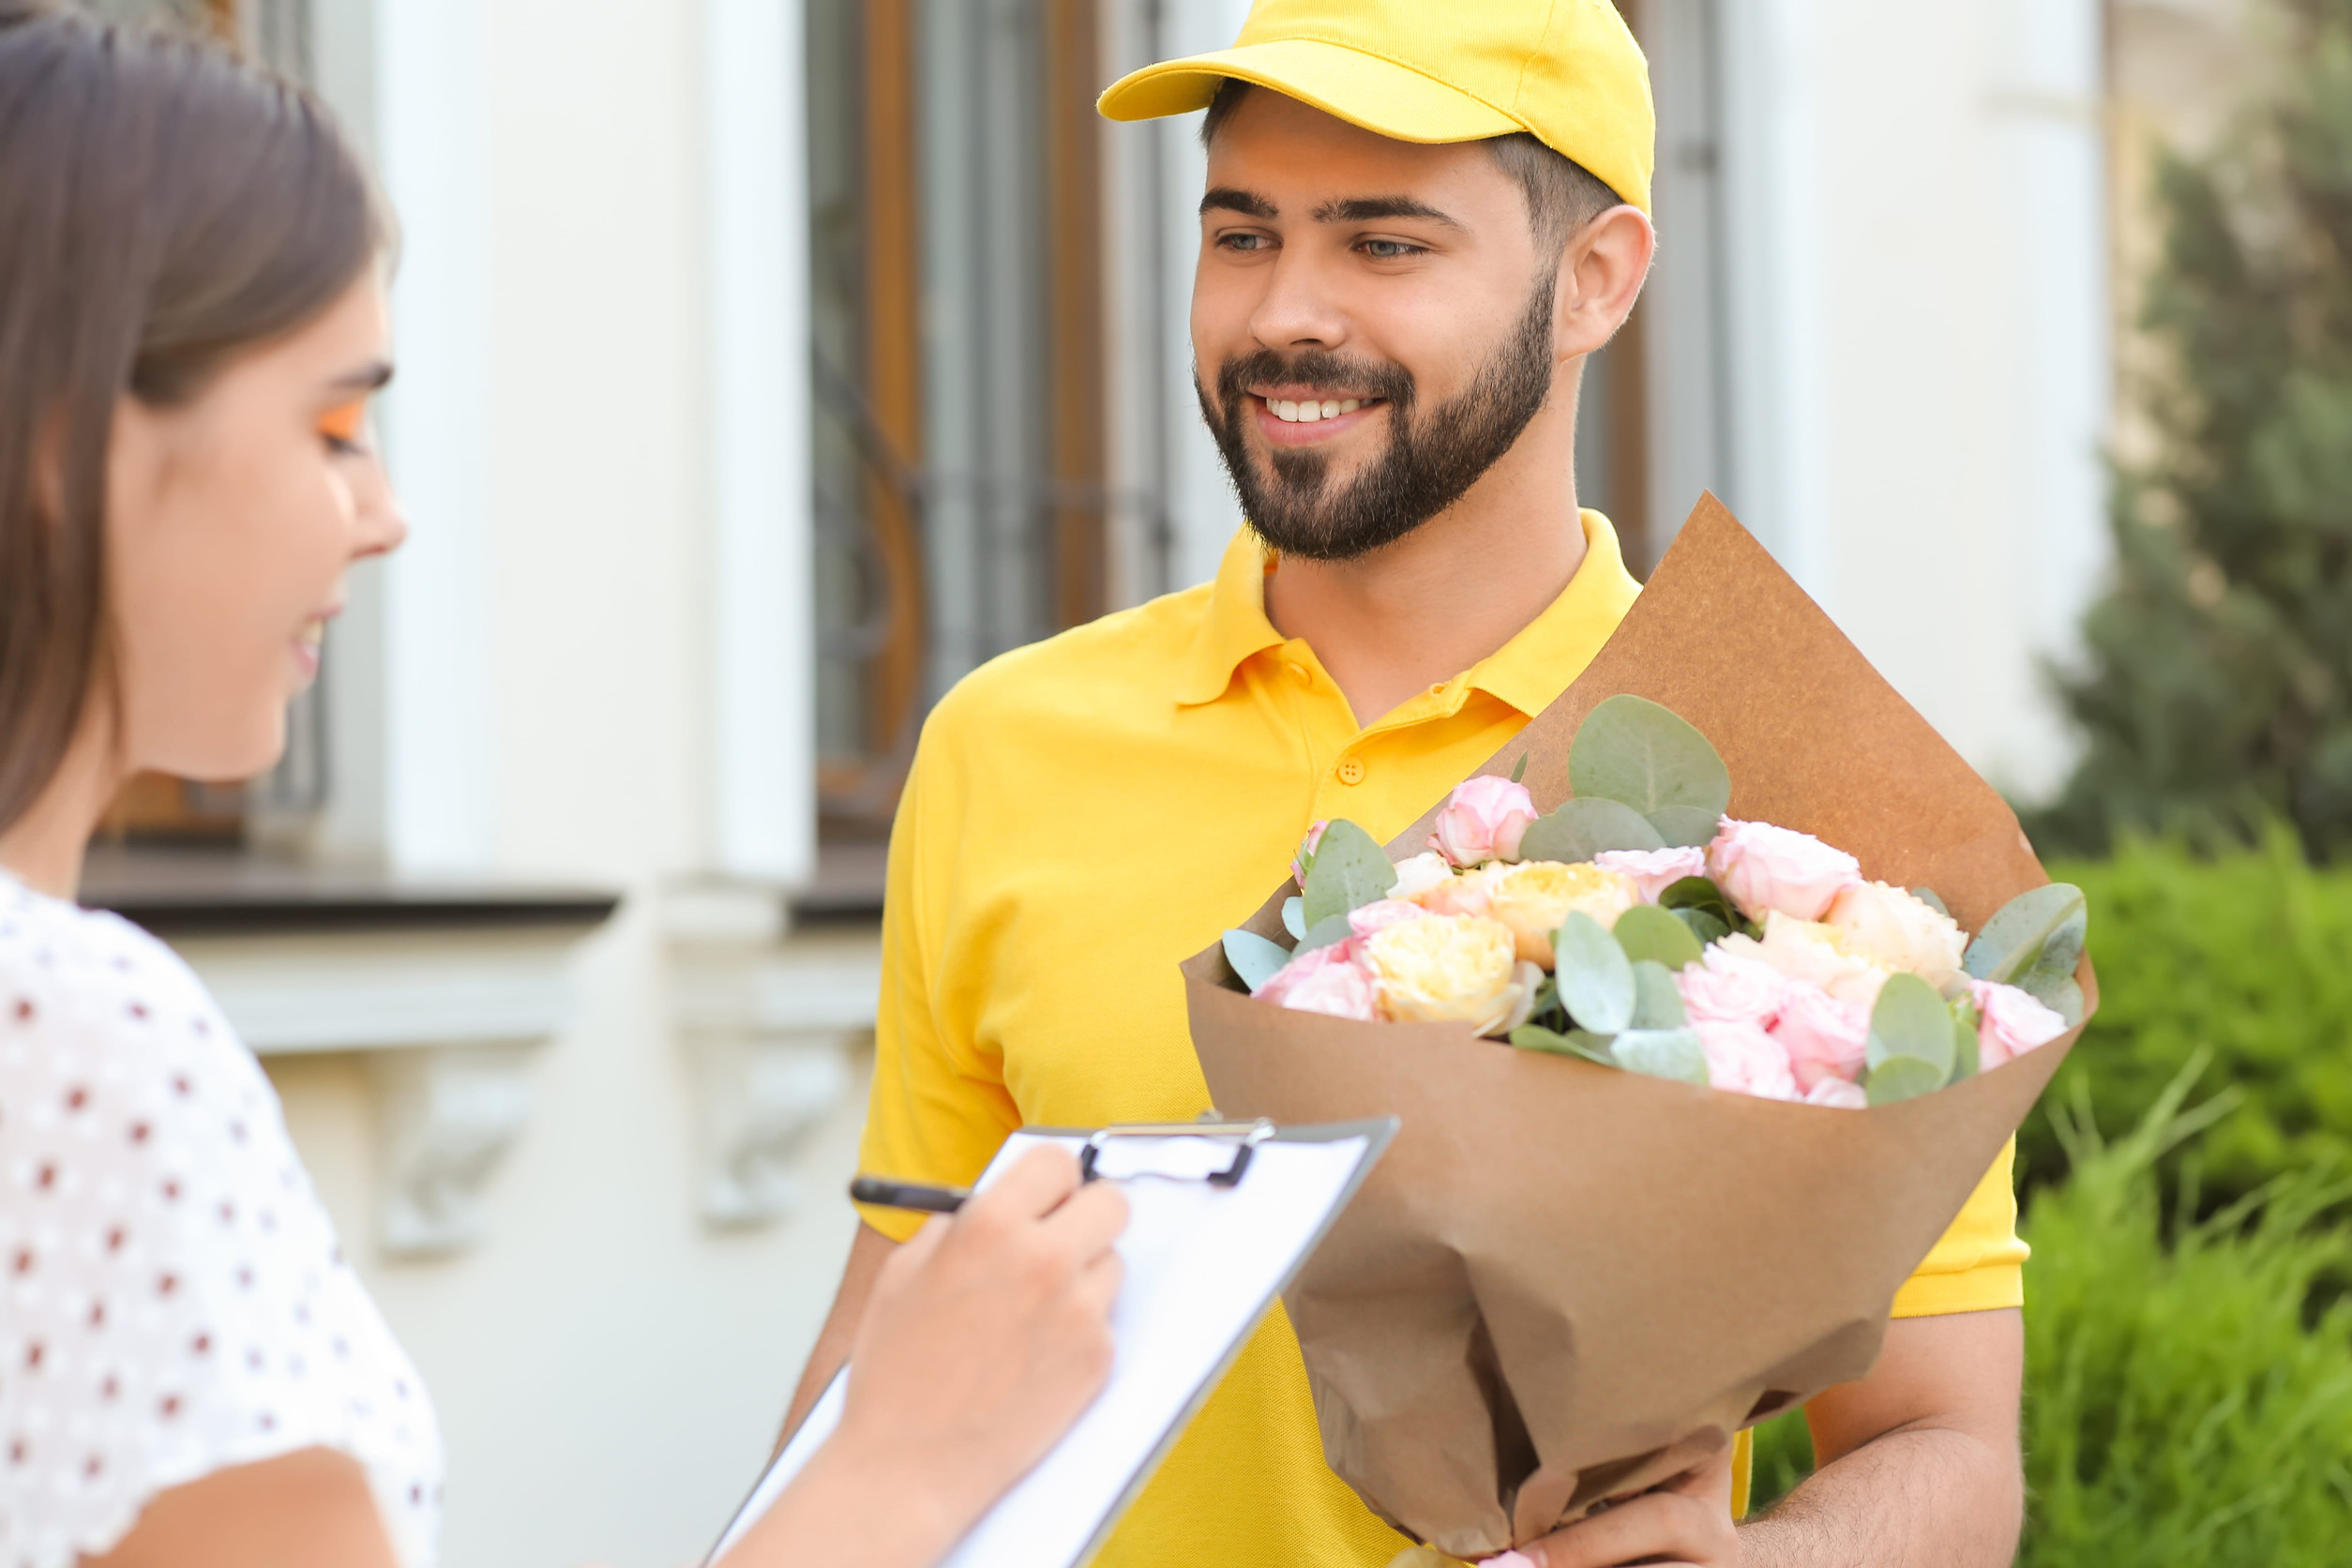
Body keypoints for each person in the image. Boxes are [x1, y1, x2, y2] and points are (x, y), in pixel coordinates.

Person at [784, 4, 2031, 1566]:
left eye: (1384, 246)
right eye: (1242, 234)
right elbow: (889, 1352)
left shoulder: (1796, 792)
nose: (1284, 313)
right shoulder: (1006, 744)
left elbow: (1947, 1446)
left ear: (1596, 280)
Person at [0, 7, 1125, 1566]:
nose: (384, 511)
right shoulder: (79, 1042)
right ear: (70, 439)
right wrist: (902, 1462)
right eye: (331, 425)